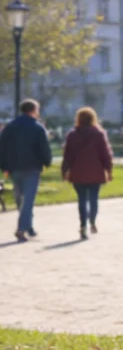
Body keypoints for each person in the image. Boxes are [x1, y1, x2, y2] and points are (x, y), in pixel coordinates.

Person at [0, 98, 52, 242]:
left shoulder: (10, 127)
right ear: (34, 110)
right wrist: (47, 161)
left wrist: (4, 166)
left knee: (20, 198)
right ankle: (22, 229)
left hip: (14, 168)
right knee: (28, 200)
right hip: (32, 167)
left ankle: (28, 227)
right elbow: (43, 148)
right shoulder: (37, 127)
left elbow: (2, 147)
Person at [61, 106, 113, 239]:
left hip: (78, 172)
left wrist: (65, 170)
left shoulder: (72, 135)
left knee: (82, 200)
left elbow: (68, 155)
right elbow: (105, 154)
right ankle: (92, 220)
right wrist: (108, 170)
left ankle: (83, 224)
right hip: (95, 171)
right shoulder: (99, 134)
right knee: (94, 198)